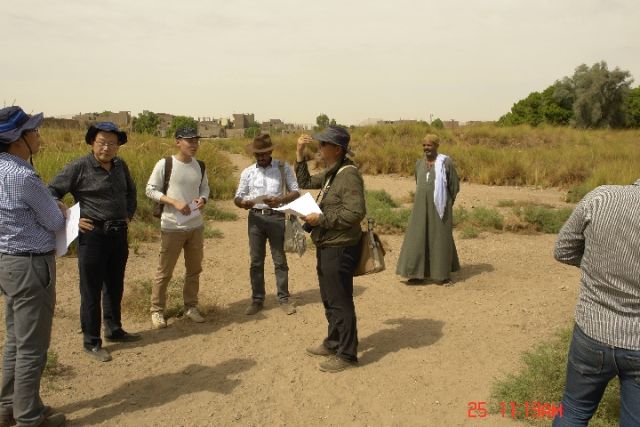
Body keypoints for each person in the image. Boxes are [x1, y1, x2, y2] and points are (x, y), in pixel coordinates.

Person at [49, 122, 139, 363]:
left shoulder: (121, 165)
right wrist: (70, 218)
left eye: (112, 143)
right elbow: (51, 192)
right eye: (102, 142)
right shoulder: (79, 166)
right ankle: (91, 341)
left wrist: (128, 214)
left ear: (118, 146)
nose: (107, 148)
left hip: (118, 234)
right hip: (93, 237)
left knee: (115, 285)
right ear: (92, 142)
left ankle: (114, 329)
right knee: (91, 290)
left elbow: (131, 192)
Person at [552, 180, 640, 427]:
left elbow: (563, 250)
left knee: (573, 411)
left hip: (592, 330)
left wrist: (597, 267)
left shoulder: (601, 197)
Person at [0, 106, 67, 427]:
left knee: (16, 339)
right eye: (33, 131)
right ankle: (29, 417)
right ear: (18, 140)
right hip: (31, 265)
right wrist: (60, 209)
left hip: (8, 263)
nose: (38, 136)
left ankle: (8, 407)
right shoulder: (23, 176)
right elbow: (54, 221)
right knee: (32, 347)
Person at [295, 125, 366, 373]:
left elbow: (356, 213)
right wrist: (299, 154)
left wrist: (321, 219)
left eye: (324, 144)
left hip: (340, 247)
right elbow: (304, 181)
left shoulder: (348, 175)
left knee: (340, 300)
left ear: (337, 149)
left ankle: (347, 354)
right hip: (327, 244)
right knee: (329, 298)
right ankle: (334, 341)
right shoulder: (332, 172)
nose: (320, 147)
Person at [145, 127, 210, 328]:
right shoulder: (165, 164)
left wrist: (203, 199)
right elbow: (150, 190)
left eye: (196, 141)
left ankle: (191, 306)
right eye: (190, 141)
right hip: (172, 226)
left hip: (195, 226)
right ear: (178, 142)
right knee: (165, 271)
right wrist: (174, 202)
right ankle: (157, 310)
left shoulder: (200, 165)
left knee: (194, 270)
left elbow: (205, 188)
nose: (194, 145)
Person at [234, 134, 300, 316]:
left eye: (264, 153)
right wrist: (243, 203)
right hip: (255, 219)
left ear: (270, 151)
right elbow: (238, 196)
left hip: (276, 217)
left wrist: (280, 200)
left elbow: (295, 191)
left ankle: (283, 298)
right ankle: (257, 300)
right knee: (256, 261)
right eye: (257, 154)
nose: (261, 157)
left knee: (279, 260)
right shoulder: (248, 172)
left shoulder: (282, 168)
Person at [396, 134, 460, 285]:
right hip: (420, 208)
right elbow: (419, 183)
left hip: (440, 208)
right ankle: (416, 274)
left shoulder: (445, 163)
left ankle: (442, 275)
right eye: (424, 145)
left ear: (436, 146)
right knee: (417, 238)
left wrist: (446, 203)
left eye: (429, 145)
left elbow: (454, 186)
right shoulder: (419, 164)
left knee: (440, 239)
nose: (426, 148)